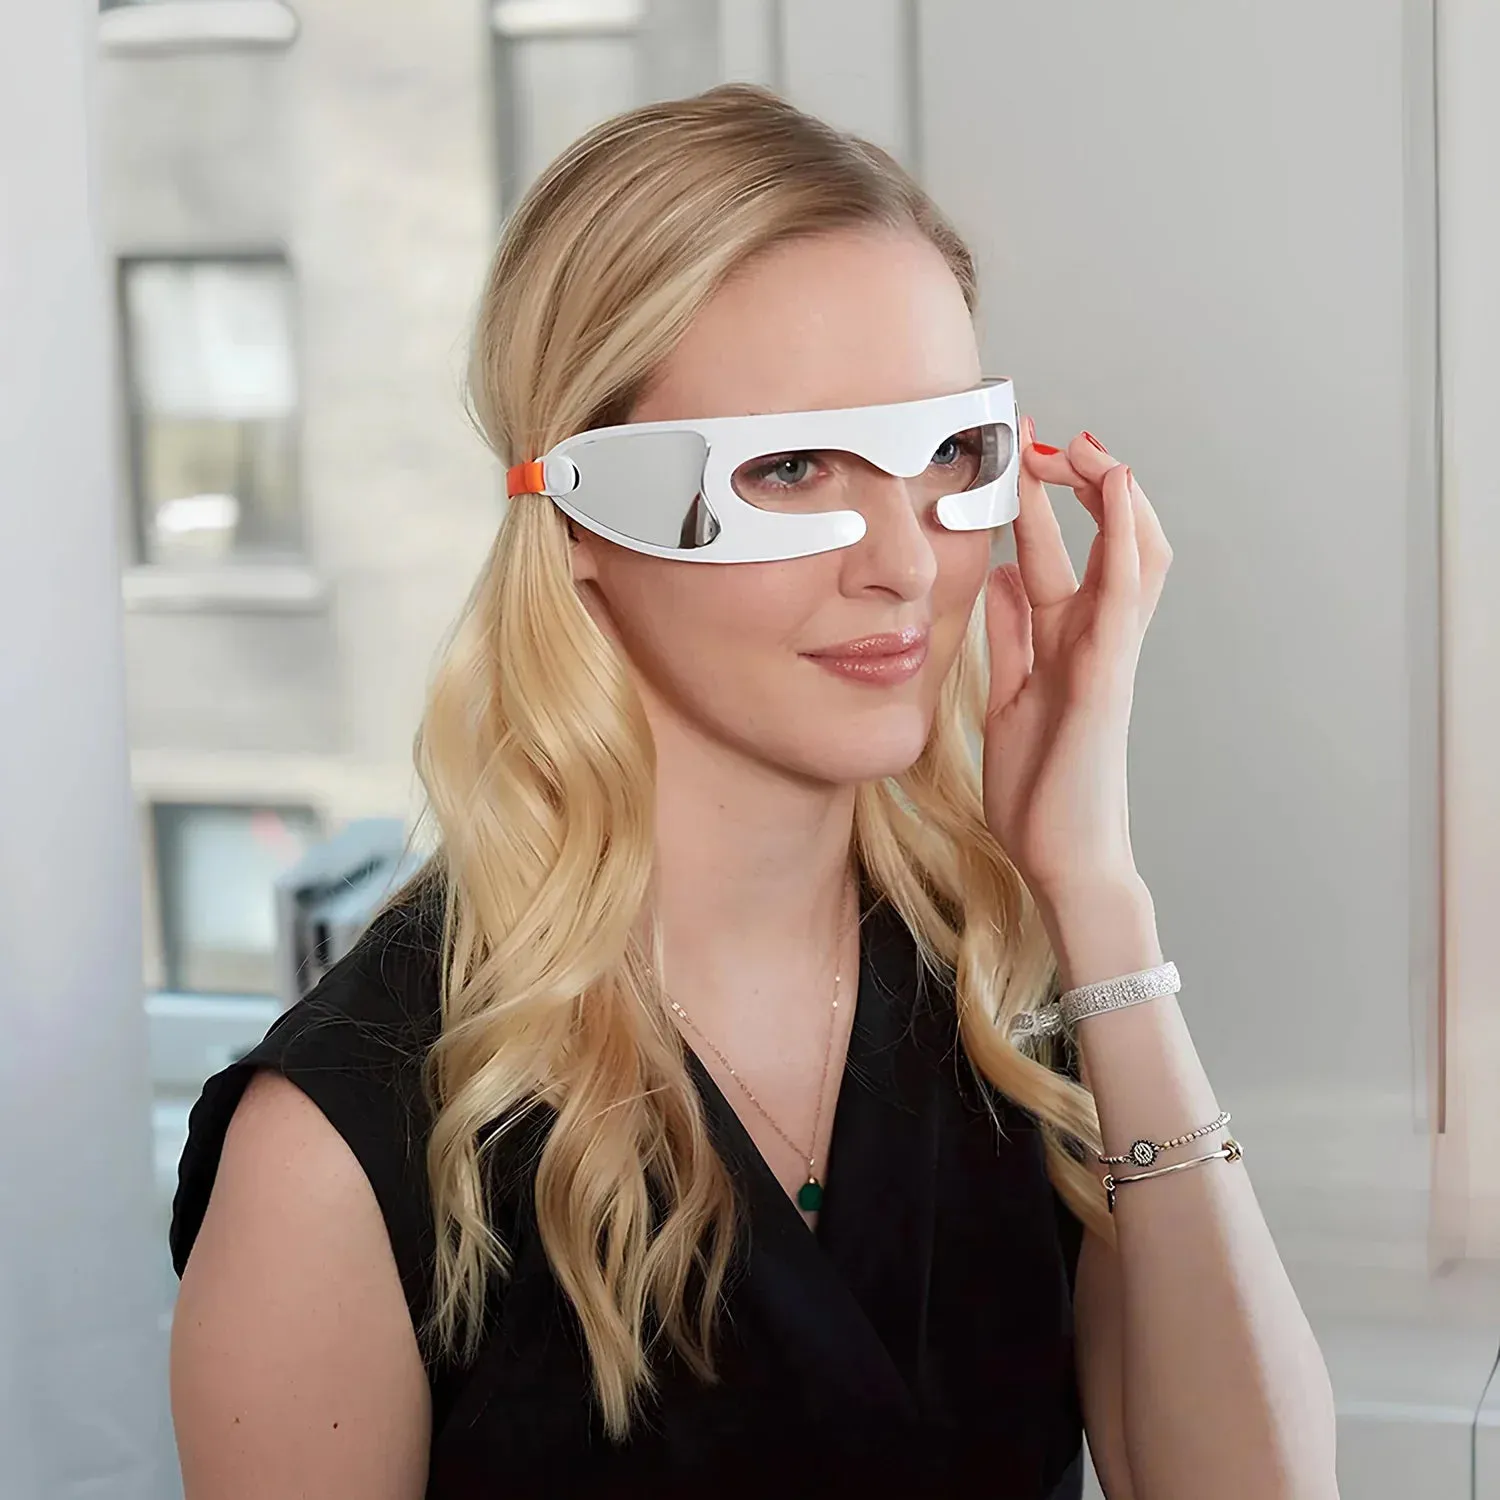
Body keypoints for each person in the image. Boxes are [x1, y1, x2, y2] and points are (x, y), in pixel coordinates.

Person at [167, 84, 1339, 1499]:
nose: (903, 564)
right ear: (579, 511)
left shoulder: (1013, 993)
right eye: (790, 469)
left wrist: (1094, 891)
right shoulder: (339, 1147)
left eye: (947, 454)